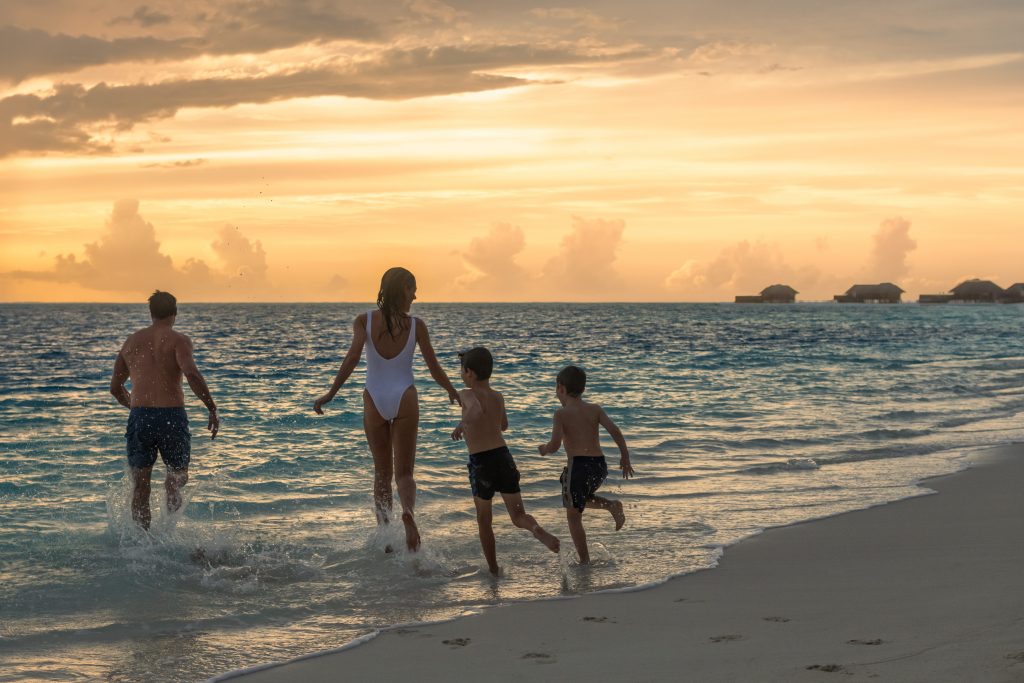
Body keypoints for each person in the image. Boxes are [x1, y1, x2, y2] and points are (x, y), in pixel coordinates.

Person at [314, 267, 460, 551]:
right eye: (412, 289)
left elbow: (353, 358)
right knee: (405, 473)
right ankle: (409, 513)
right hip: (405, 396)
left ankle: (385, 535)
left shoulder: (364, 321)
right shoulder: (417, 325)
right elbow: (433, 367)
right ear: (401, 289)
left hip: (374, 399)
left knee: (382, 473)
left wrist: (331, 393)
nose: (415, 295)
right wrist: (452, 391)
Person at [109, 290, 219, 530]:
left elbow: (115, 388)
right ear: (174, 313)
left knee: (141, 485)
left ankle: (142, 542)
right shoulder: (178, 340)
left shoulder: (131, 342)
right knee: (177, 476)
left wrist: (136, 407)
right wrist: (211, 407)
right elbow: (190, 373)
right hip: (171, 416)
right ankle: (169, 530)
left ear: (151, 313)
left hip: (141, 417)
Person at [451, 347, 560, 574]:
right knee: (518, 515)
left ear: (469, 372)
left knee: (484, 521)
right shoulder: (498, 395)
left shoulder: (466, 393)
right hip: (504, 457)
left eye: (461, 370)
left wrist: (463, 424)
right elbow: (503, 425)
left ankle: (493, 569)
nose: (460, 374)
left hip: (481, 462)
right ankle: (537, 529)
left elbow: (476, 410)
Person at [538, 365, 633, 564]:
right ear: (582, 389)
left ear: (561, 389)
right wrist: (625, 456)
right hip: (599, 466)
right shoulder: (594, 409)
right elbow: (615, 430)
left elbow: (555, 445)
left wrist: (545, 449)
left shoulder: (560, 414)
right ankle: (611, 505)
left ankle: (585, 560)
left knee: (573, 516)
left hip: (579, 466)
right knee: (580, 499)